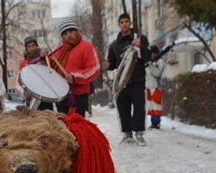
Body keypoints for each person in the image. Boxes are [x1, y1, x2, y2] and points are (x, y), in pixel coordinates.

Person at [103, 13, 151, 146]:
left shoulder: (140, 38)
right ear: (119, 25)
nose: (124, 24)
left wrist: (140, 46)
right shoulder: (114, 45)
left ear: (130, 23)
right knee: (123, 108)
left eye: (126, 21)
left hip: (137, 80)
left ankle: (139, 133)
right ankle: (127, 134)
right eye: (121, 22)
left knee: (139, 108)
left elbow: (148, 58)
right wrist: (107, 65)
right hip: (122, 82)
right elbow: (112, 65)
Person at [49, 19, 100, 118]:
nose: (69, 35)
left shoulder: (86, 46)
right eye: (65, 33)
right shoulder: (60, 49)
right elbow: (51, 66)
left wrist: (75, 77)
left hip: (78, 94)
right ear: (62, 36)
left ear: (76, 32)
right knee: (63, 126)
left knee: (77, 126)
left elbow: (95, 68)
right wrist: (44, 57)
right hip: (61, 94)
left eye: (71, 31)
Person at [145, 45, 165, 129]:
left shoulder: (159, 62)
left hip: (156, 87)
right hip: (148, 87)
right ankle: (153, 122)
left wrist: (150, 65)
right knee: (151, 106)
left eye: (152, 53)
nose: (150, 55)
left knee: (156, 105)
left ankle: (157, 123)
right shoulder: (148, 62)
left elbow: (157, 73)